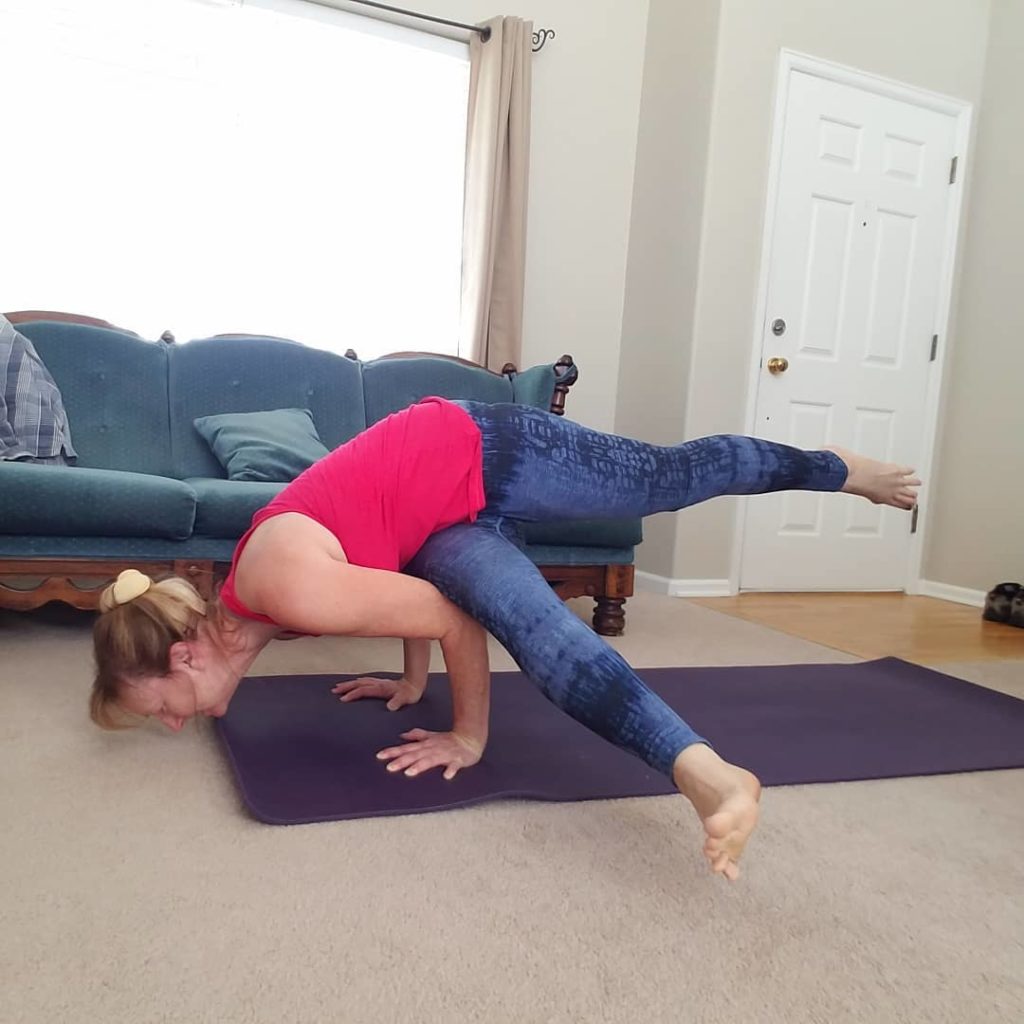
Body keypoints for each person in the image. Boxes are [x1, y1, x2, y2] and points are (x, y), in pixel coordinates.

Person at [90, 397, 920, 881]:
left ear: (185, 655)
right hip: (436, 527)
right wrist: (412, 683)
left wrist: (468, 734)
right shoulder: (252, 611)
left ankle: (836, 467)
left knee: (670, 479)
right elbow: (396, 586)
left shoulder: (279, 588)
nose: (174, 723)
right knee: (540, 634)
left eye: (161, 706)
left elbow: (446, 619)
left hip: (482, 450)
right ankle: (711, 777)